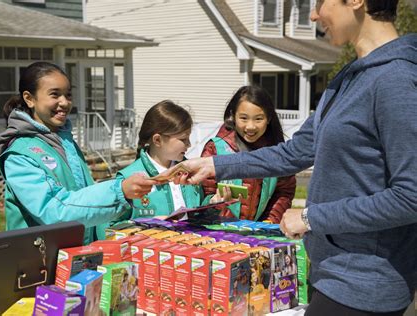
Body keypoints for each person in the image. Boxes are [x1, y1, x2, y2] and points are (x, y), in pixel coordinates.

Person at [167, 1, 416, 314]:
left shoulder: (396, 80)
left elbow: (410, 196)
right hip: (330, 271)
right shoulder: (348, 78)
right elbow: (297, 151)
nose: (313, 15)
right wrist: (213, 165)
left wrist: (312, 217)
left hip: (365, 283)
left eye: (319, 3)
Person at [0, 61, 157, 243]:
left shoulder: (64, 140)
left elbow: (82, 195)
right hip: (40, 263)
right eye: (54, 94)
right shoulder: (20, 154)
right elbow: (54, 210)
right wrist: (117, 191)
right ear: (29, 99)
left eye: (68, 94)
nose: (64, 102)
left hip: (76, 256)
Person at [116, 100, 226, 219]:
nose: (189, 144)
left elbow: (197, 215)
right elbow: (110, 230)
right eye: (183, 139)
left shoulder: (189, 171)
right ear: (157, 140)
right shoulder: (127, 180)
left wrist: (212, 204)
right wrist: (148, 226)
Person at [201, 86, 296, 223]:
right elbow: (203, 194)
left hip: (257, 234)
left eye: (258, 119)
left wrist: (269, 221)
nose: (250, 126)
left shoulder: (277, 152)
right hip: (219, 232)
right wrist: (214, 204)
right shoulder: (215, 149)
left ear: (268, 118)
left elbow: (284, 192)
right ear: (233, 116)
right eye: (244, 118)